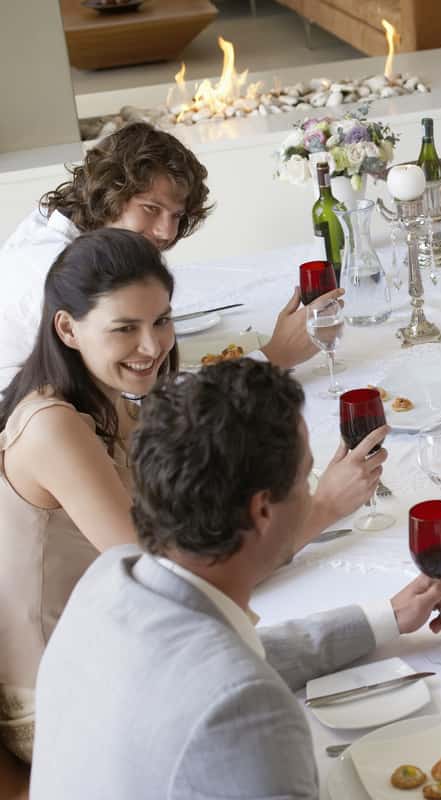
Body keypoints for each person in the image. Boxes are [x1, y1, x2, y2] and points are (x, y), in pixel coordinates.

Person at [29, 359, 441, 799]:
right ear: (263, 509)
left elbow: (240, 656)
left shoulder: (110, 580)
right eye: (305, 477)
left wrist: (386, 618)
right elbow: (233, 687)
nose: (314, 494)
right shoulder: (245, 707)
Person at [0, 230, 381, 796]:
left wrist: (382, 619)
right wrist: (320, 507)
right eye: (124, 328)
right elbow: (184, 561)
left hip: (120, 643)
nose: (151, 346)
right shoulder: (54, 427)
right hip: (61, 702)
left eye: (161, 321)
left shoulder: (112, 400)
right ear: (67, 329)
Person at [0, 121, 332, 391]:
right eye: (150, 208)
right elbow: (139, 400)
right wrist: (273, 358)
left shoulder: (66, 224)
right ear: (108, 194)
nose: (166, 232)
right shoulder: (56, 271)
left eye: (176, 215)